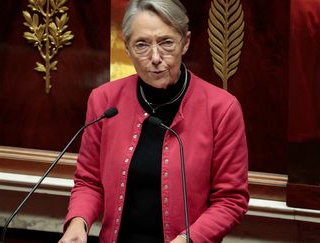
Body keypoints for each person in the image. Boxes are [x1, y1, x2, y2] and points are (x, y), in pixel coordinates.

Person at [59, 0, 249, 242]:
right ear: (126, 48)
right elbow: (89, 181)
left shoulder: (221, 108)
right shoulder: (104, 100)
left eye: (166, 42)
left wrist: (186, 239)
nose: (156, 57)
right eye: (141, 45)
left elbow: (230, 200)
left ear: (186, 42)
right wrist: (78, 222)